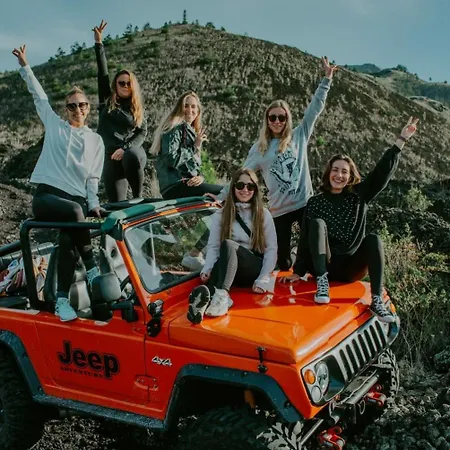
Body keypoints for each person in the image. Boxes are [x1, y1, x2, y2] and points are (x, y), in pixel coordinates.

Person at [281, 117, 419, 323]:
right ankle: (322, 284)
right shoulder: (315, 202)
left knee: (373, 239)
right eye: (335, 170)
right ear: (328, 173)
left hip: (351, 268)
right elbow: (305, 238)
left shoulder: (359, 195)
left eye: (344, 171)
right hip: (323, 265)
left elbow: (381, 174)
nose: (339, 175)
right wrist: (298, 271)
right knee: (317, 224)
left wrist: (401, 141)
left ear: (350, 175)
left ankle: (376, 299)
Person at [12, 45, 104, 322]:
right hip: (47, 198)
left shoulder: (95, 140)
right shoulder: (55, 127)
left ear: (88, 108)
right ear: (66, 110)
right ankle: (93, 270)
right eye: (72, 106)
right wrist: (25, 66)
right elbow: (39, 98)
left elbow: (93, 177)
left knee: (67, 239)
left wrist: (95, 204)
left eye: (82, 105)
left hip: (75, 201)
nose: (78, 109)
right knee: (75, 214)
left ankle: (62, 300)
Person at [218, 57, 337, 271]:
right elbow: (243, 174)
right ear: (267, 120)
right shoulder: (259, 148)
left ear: (287, 119)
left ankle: (308, 267)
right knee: (283, 263)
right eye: (272, 118)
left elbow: (314, 109)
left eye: (281, 118)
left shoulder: (299, 135)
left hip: (304, 204)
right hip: (279, 210)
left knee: (310, 254)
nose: (277, 122)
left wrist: (326, 80)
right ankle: (290, 257)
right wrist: (221, 196)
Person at [187, 168, 277, 324]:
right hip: (231, 271)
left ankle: (222, 295)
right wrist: (208, 268)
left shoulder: (263, 214)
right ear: (233, 187)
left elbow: (271, 249)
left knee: (228, 245)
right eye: (240, 185)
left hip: (252, 268)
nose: (245, 190)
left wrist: (263, 278)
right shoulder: (221, 214)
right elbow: (214, 246)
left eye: (250, 186)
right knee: (218, 262)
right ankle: (203, 304)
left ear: (255, 190)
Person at [151, 90, 224, 270]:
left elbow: (193, 167)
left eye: (194, 107)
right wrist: (195, 147)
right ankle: (195, 253)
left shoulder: (189, 131)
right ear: (179, 107)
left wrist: (200, 177)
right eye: (186, 106)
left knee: (220, 211)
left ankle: (200, 251)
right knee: (227, 194)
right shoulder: (175, 127)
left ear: (198, 111)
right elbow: (171, 159)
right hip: (176, 185)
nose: (190, 110)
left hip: (184, 184)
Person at [93, 20, 148, 202]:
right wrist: (99, 43)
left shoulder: (137, 108)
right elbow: (102, 73)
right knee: (117, 205)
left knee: (132, 155)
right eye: (121, 83)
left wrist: (125, 148)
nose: (125, 85)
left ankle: (138, 197)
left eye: (128, 83)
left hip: (131, 154)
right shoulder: (107, 101)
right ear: (115, 85)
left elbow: (142, 132)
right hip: (111, 157)